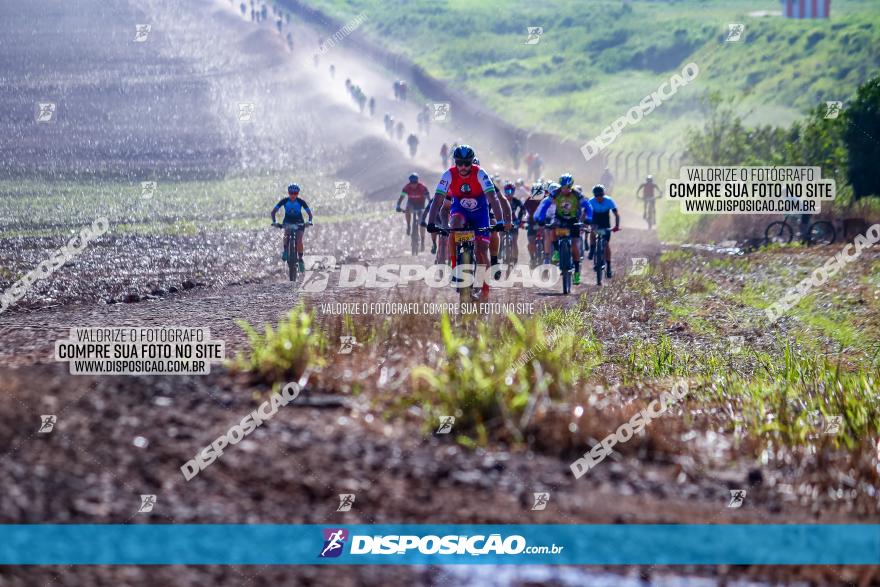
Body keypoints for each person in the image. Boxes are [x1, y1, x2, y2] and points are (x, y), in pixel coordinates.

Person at [426, 145, 509, 300]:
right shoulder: (448, 175)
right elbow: (437, 200)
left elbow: (493, 198)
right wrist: (430, 222)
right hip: (460, 209)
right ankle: (454, 266)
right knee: (454, 225)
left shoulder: (480, 173)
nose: (463, 166)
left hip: (480, 212)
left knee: (482, 250)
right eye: (459, 162)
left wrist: (500, 221)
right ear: (455, 162)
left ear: (472, 162)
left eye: (467, 163)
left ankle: (484, 291)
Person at [535, 174, 585, 284]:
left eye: (567, 187)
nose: (564, 189)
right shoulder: (556, 194)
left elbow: (586, 207)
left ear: (571, 186)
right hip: (560, 219)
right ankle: (557, 251)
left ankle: (576, 272)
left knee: (574, 247)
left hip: (573, 220)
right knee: (552, 229)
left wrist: (587, 219)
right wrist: (541, 219)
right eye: (562, 187)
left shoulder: (577, 194)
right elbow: (544, 207)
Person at [271, 183, 313, 272]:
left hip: (299, 222)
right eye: (291, 193)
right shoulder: (284, 201)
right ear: (288, 193)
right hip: (288, 221)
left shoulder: (301, 202)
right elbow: (273, 212)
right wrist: (274, 222)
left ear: (298, 193)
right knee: (286, 233)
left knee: (299, 240)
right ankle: (286, 250)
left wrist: (309, 221)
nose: (293, 195)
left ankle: (300, 259)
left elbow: (309, 214)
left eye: (295, 193)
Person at [587, 184, 620, 278]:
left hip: (605, 223)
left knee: (606, 244)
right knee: (593, 230)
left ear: (603, 194)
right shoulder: (591, 201)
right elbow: (586, 214)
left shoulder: (609, 200)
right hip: (595, 220)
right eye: (597, 196)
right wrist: (586, 223)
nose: (599, 198)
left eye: (601, 195)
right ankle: (592, 248)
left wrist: (616, 226)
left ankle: (609, 267)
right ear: (594, 196)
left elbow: (616, 215)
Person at [396, 173, 429, 249]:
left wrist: (430, 204)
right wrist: (398, 205)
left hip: (420, 205)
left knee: (422, 223)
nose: (413, 185)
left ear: (417, 182)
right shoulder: (406, 188)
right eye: (412, 183)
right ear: (409, 182)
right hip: (411, 204)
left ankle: (423, 241)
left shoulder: (423, 187)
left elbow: (428, 197)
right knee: (407, 210)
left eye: (415, 183)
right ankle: (408, 225)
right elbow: (401, 197)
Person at [518, 182, 546, 268]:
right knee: (531, 241)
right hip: (532, 223)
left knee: (547, 240)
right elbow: (523, 211)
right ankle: (532, 258)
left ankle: (547, 257)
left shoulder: (546, 200)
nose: (538, 199)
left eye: (539, 195)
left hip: (544, 224)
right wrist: (521, 221)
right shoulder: (529, 200)